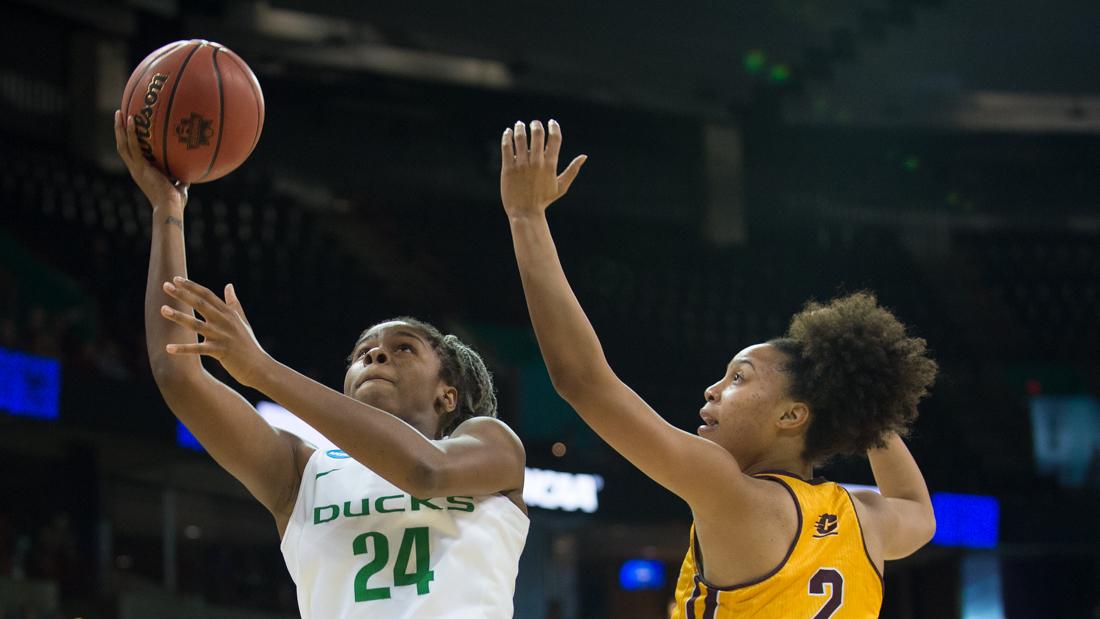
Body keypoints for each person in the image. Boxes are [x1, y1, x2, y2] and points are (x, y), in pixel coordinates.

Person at [499, 119, 938, 617]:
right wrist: (858, 403)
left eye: (738, 377)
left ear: (792, 415)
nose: (711, 389)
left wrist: (526, 217)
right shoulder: (866, 518)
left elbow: (582, 381)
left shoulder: (734, 494)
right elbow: (919, 511)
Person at [114, 110, 528, 618]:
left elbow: (427, 471)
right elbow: (177, 372)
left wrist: (262, 370)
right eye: (362, 354)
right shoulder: (299, 472)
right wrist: (167, 209)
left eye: (404, 348)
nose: (376, 354)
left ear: (448, 394)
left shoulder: (491, 444)